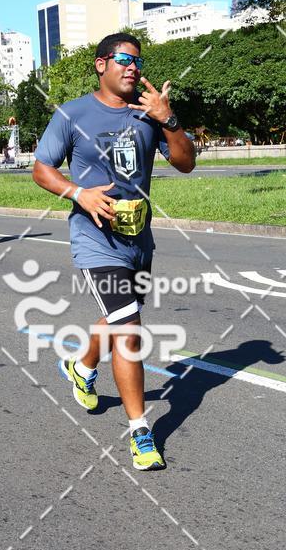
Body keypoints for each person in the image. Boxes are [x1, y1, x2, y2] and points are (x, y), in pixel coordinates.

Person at [33, 32, 195, 471]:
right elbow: (41, 168)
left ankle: (82, 366)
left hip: (138, 238)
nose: (133, 67)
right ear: (100, 64)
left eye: (137, 61)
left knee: (119, 315)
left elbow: (186, 163)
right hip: (95, 239)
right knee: (129, 325)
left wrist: (169, 120)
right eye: (123, 59)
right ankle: (141, 430)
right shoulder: (72, 114)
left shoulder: (149, 114)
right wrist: (77, 193)